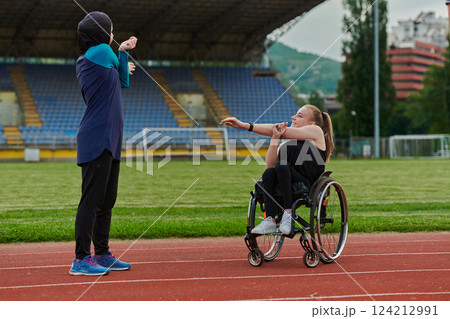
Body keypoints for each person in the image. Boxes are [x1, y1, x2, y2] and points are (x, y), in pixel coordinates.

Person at [69, 11, 137, 276]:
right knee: (92, 200)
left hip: (110, 136)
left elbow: (123, 81)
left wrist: (122, 56)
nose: (112, 34)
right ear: (100, 33)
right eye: (110, 30)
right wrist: (121, 52)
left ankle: (101, 253)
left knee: (107, 199)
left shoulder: (100, 56)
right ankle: (81, 259)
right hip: (97, 135)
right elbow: (123, 75)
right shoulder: (97, 52)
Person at [220, 104, 333, 235]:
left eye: (299, 115)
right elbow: (269, 168)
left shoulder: (316, 131)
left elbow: (282, 131)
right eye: (295, 114)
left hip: (307, 183)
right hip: (286, 181)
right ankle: (270, 219)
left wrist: (245, 125)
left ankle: (288, 214)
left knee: (282, 166)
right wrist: (274, 138)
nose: (293, 117)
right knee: (270, 172)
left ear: (311, 123)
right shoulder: (285, 144)